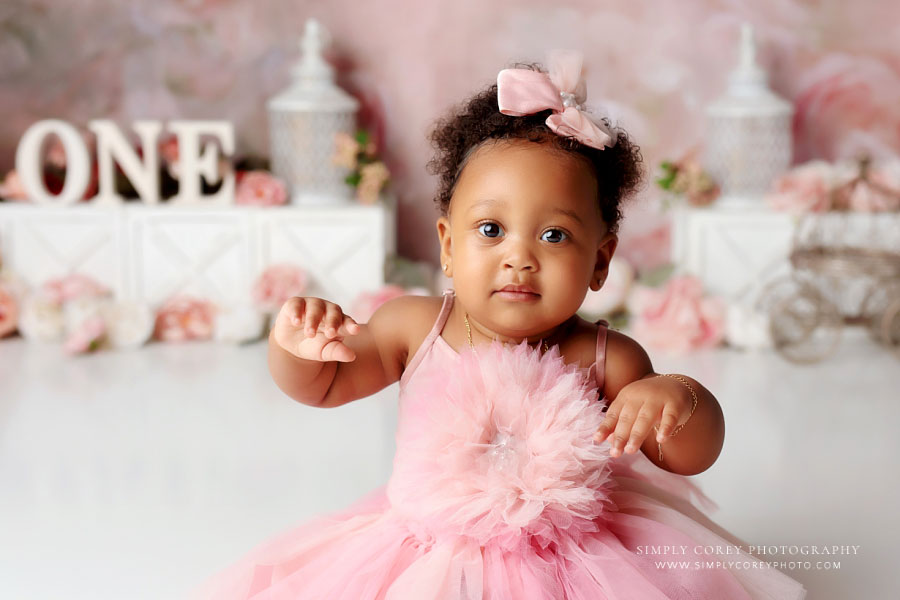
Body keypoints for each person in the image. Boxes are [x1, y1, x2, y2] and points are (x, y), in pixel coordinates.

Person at [192, 50, 807, 599]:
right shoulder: (414, 327)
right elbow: (322, 386)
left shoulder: (607, 357)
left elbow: (689, 457)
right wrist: (296, 347)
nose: (520, 256)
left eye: (554, 234)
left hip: (578, 563)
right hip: (429, 551)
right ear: (447, 246)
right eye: (490, 230)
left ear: (600, 261)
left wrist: (676, 398)